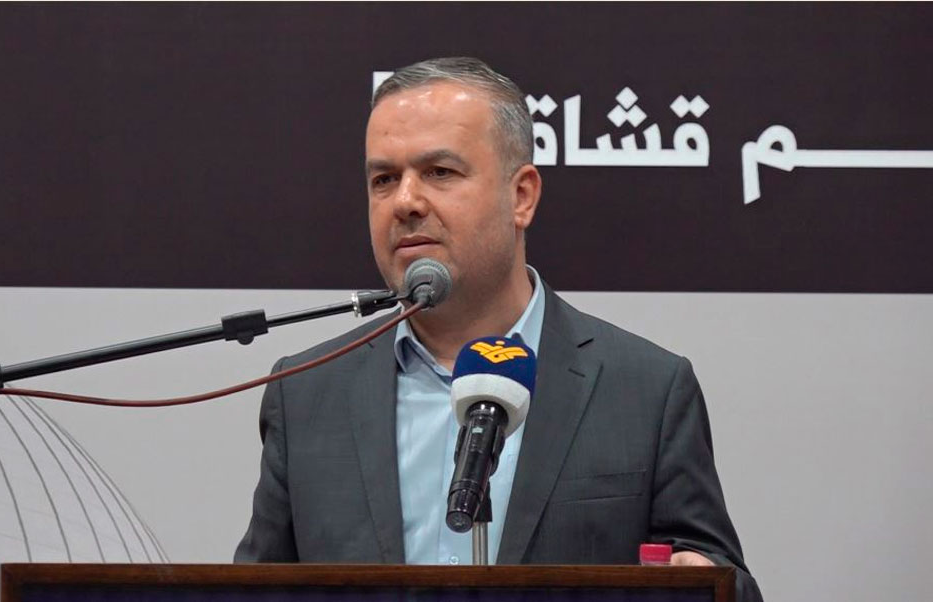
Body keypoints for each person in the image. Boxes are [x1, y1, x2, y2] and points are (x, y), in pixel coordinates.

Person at [235, 57, 762, 600]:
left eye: (440, 172)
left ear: (521, 196)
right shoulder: (306, 394)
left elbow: (721, 580)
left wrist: (699, 580)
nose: (406, 202)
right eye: (384, 179)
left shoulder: (646, 390)